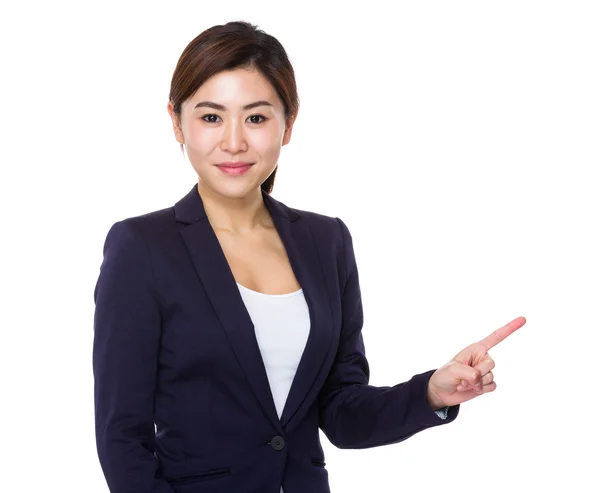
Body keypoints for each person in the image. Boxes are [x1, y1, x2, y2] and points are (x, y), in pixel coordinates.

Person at [92, 20, 526, 493]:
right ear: (177, 122)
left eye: (256, 118)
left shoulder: (326, 242)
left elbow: (341, 413)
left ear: (289, 124)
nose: (234, 142)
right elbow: (122, 439)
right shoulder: (143, 247)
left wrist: (429, 394)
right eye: (211, 117)